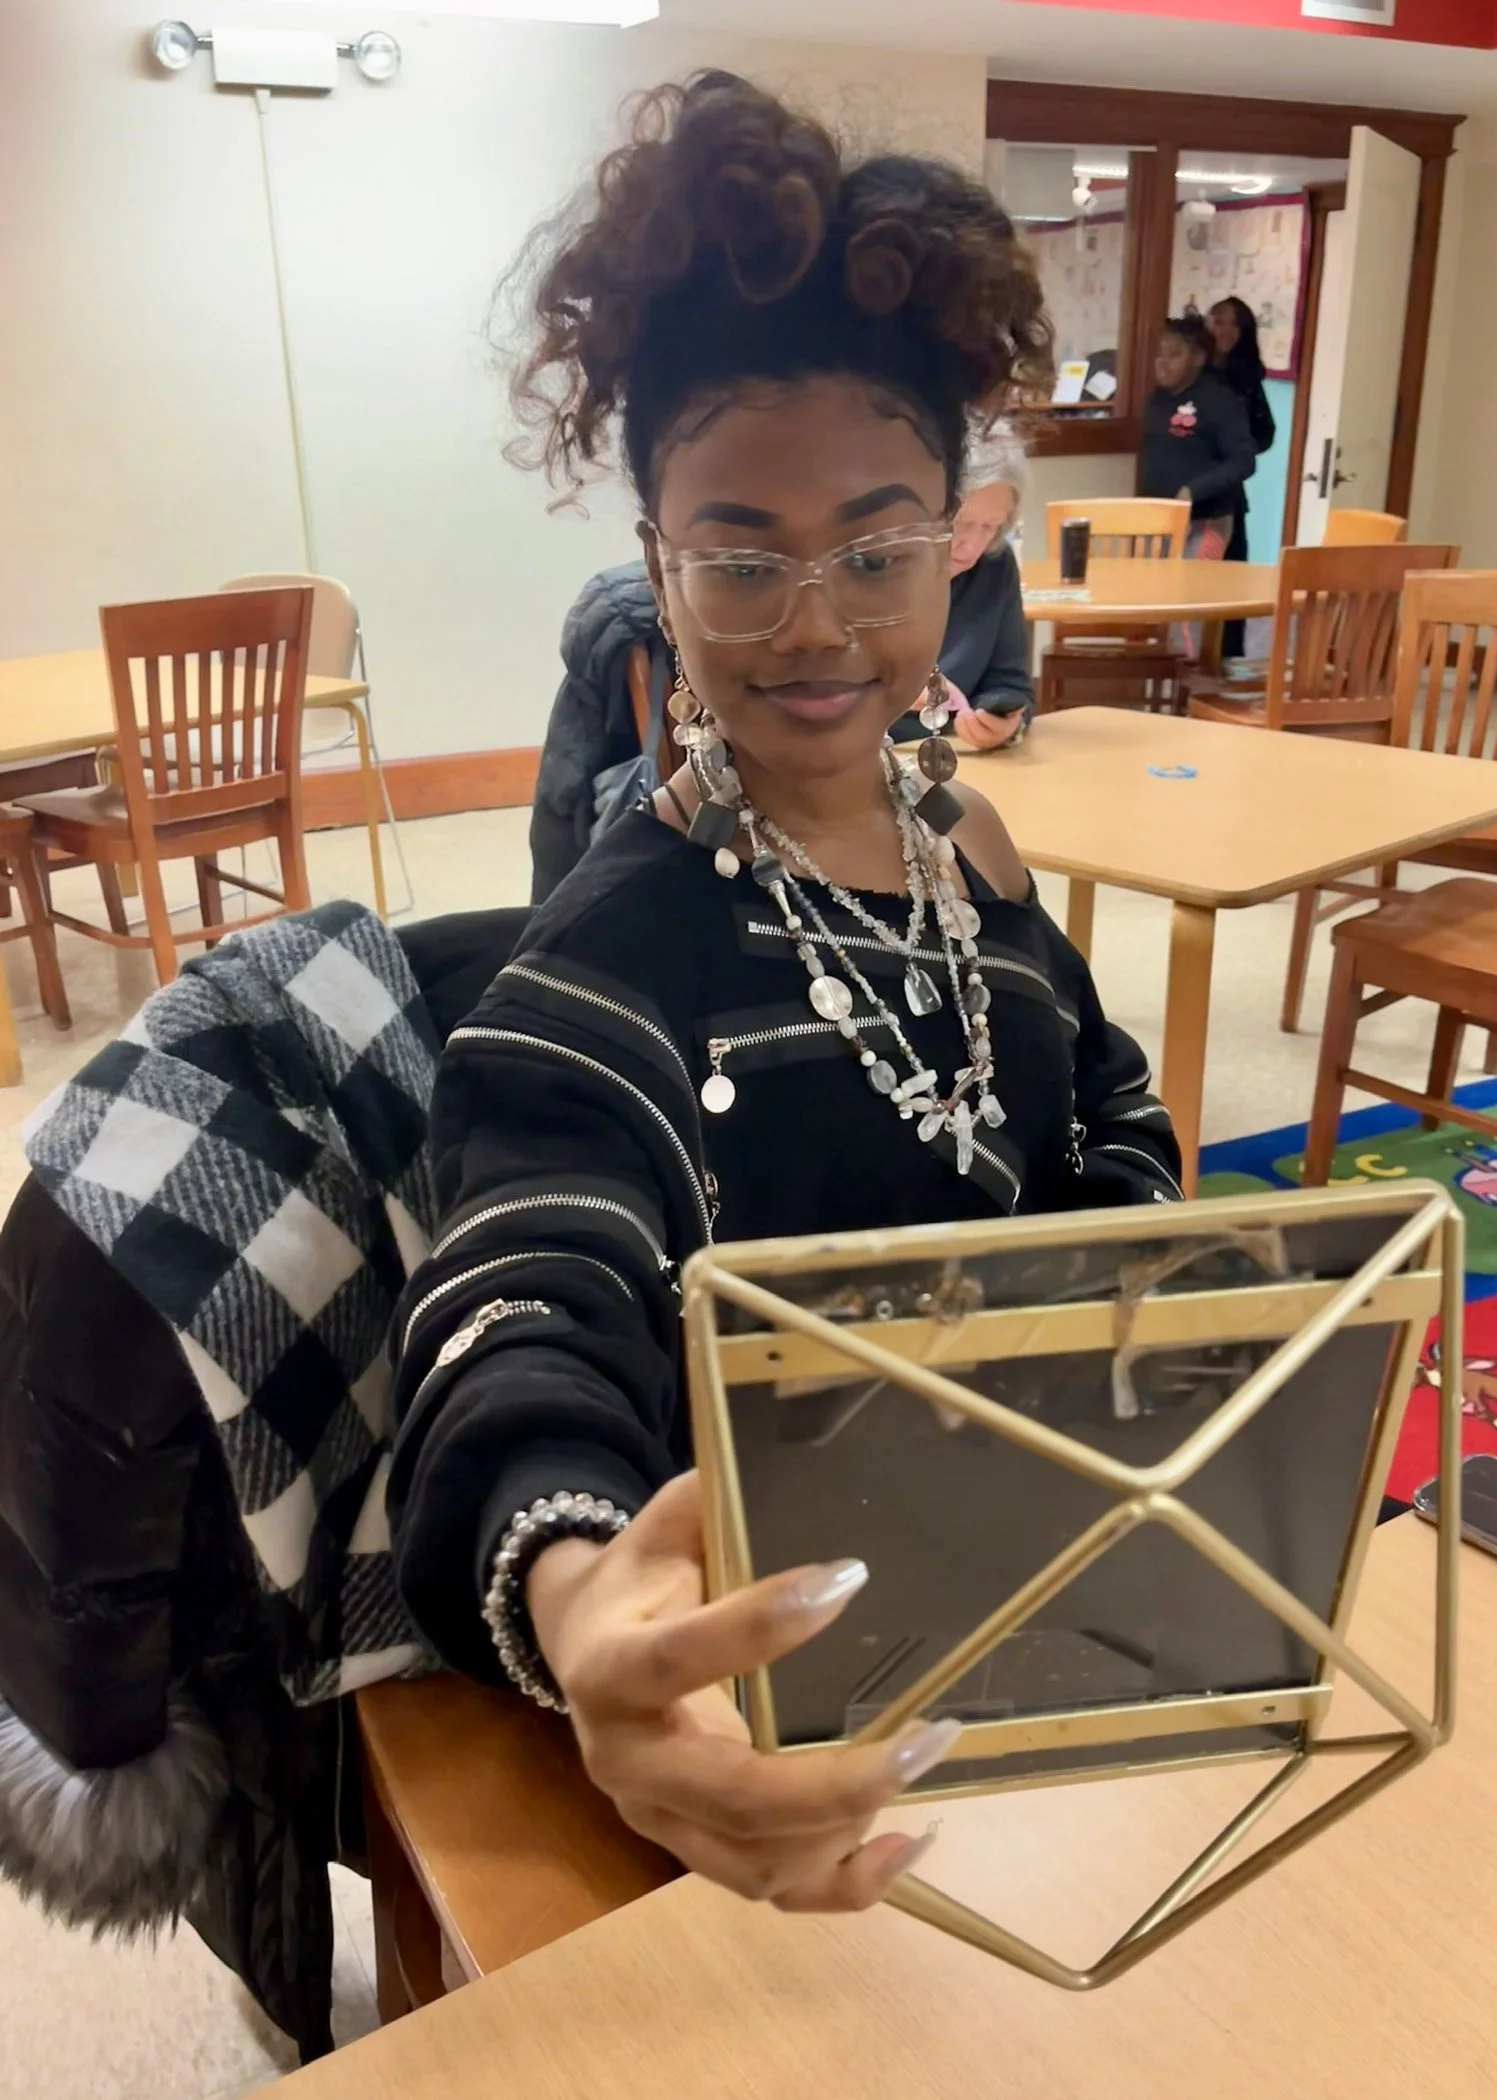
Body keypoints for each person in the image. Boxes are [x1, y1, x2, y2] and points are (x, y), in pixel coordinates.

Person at [387, 71, 1182, 1919]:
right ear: (655, 569)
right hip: (766, 1706)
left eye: (876, 550)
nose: (816, 623)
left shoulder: (970, 852)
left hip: (1036, 1611)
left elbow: (1107, 1117)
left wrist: (1134, 1339)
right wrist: (588, 1597)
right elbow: (524, 1303)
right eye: (740, 559)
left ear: (954, 543)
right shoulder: (611, 960)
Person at [894, 424, 1033, 754]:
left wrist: (1004, 725)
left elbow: (1011, 683)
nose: (971, 545)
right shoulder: (868, 566)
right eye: (960, 523)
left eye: (990, 526)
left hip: (957, 757)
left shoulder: (995, 563)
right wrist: (893, 689)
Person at [1137, 315, 1255, 562]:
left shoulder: (1219, 401)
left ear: (1198, 358)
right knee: (1148, 583)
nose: (1162, 363)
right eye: (1159, 354)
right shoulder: (1156, 400)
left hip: (1205, 520)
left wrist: (1193, 490)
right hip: (1158, 519)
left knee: (1189, 583)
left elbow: (1243, 461)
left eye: (1174, 355)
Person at [1207, 296, 1276, 658]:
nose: (1214, 329)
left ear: (1239, 331)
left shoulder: (1245, 379)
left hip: (1229, 493)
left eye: (1223, 322)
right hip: (1194, 489)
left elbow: (1265, 433)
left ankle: (1229, 656)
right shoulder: (1199, 372)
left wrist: (1236, 449)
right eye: (1212, 321)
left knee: (1231, 580)